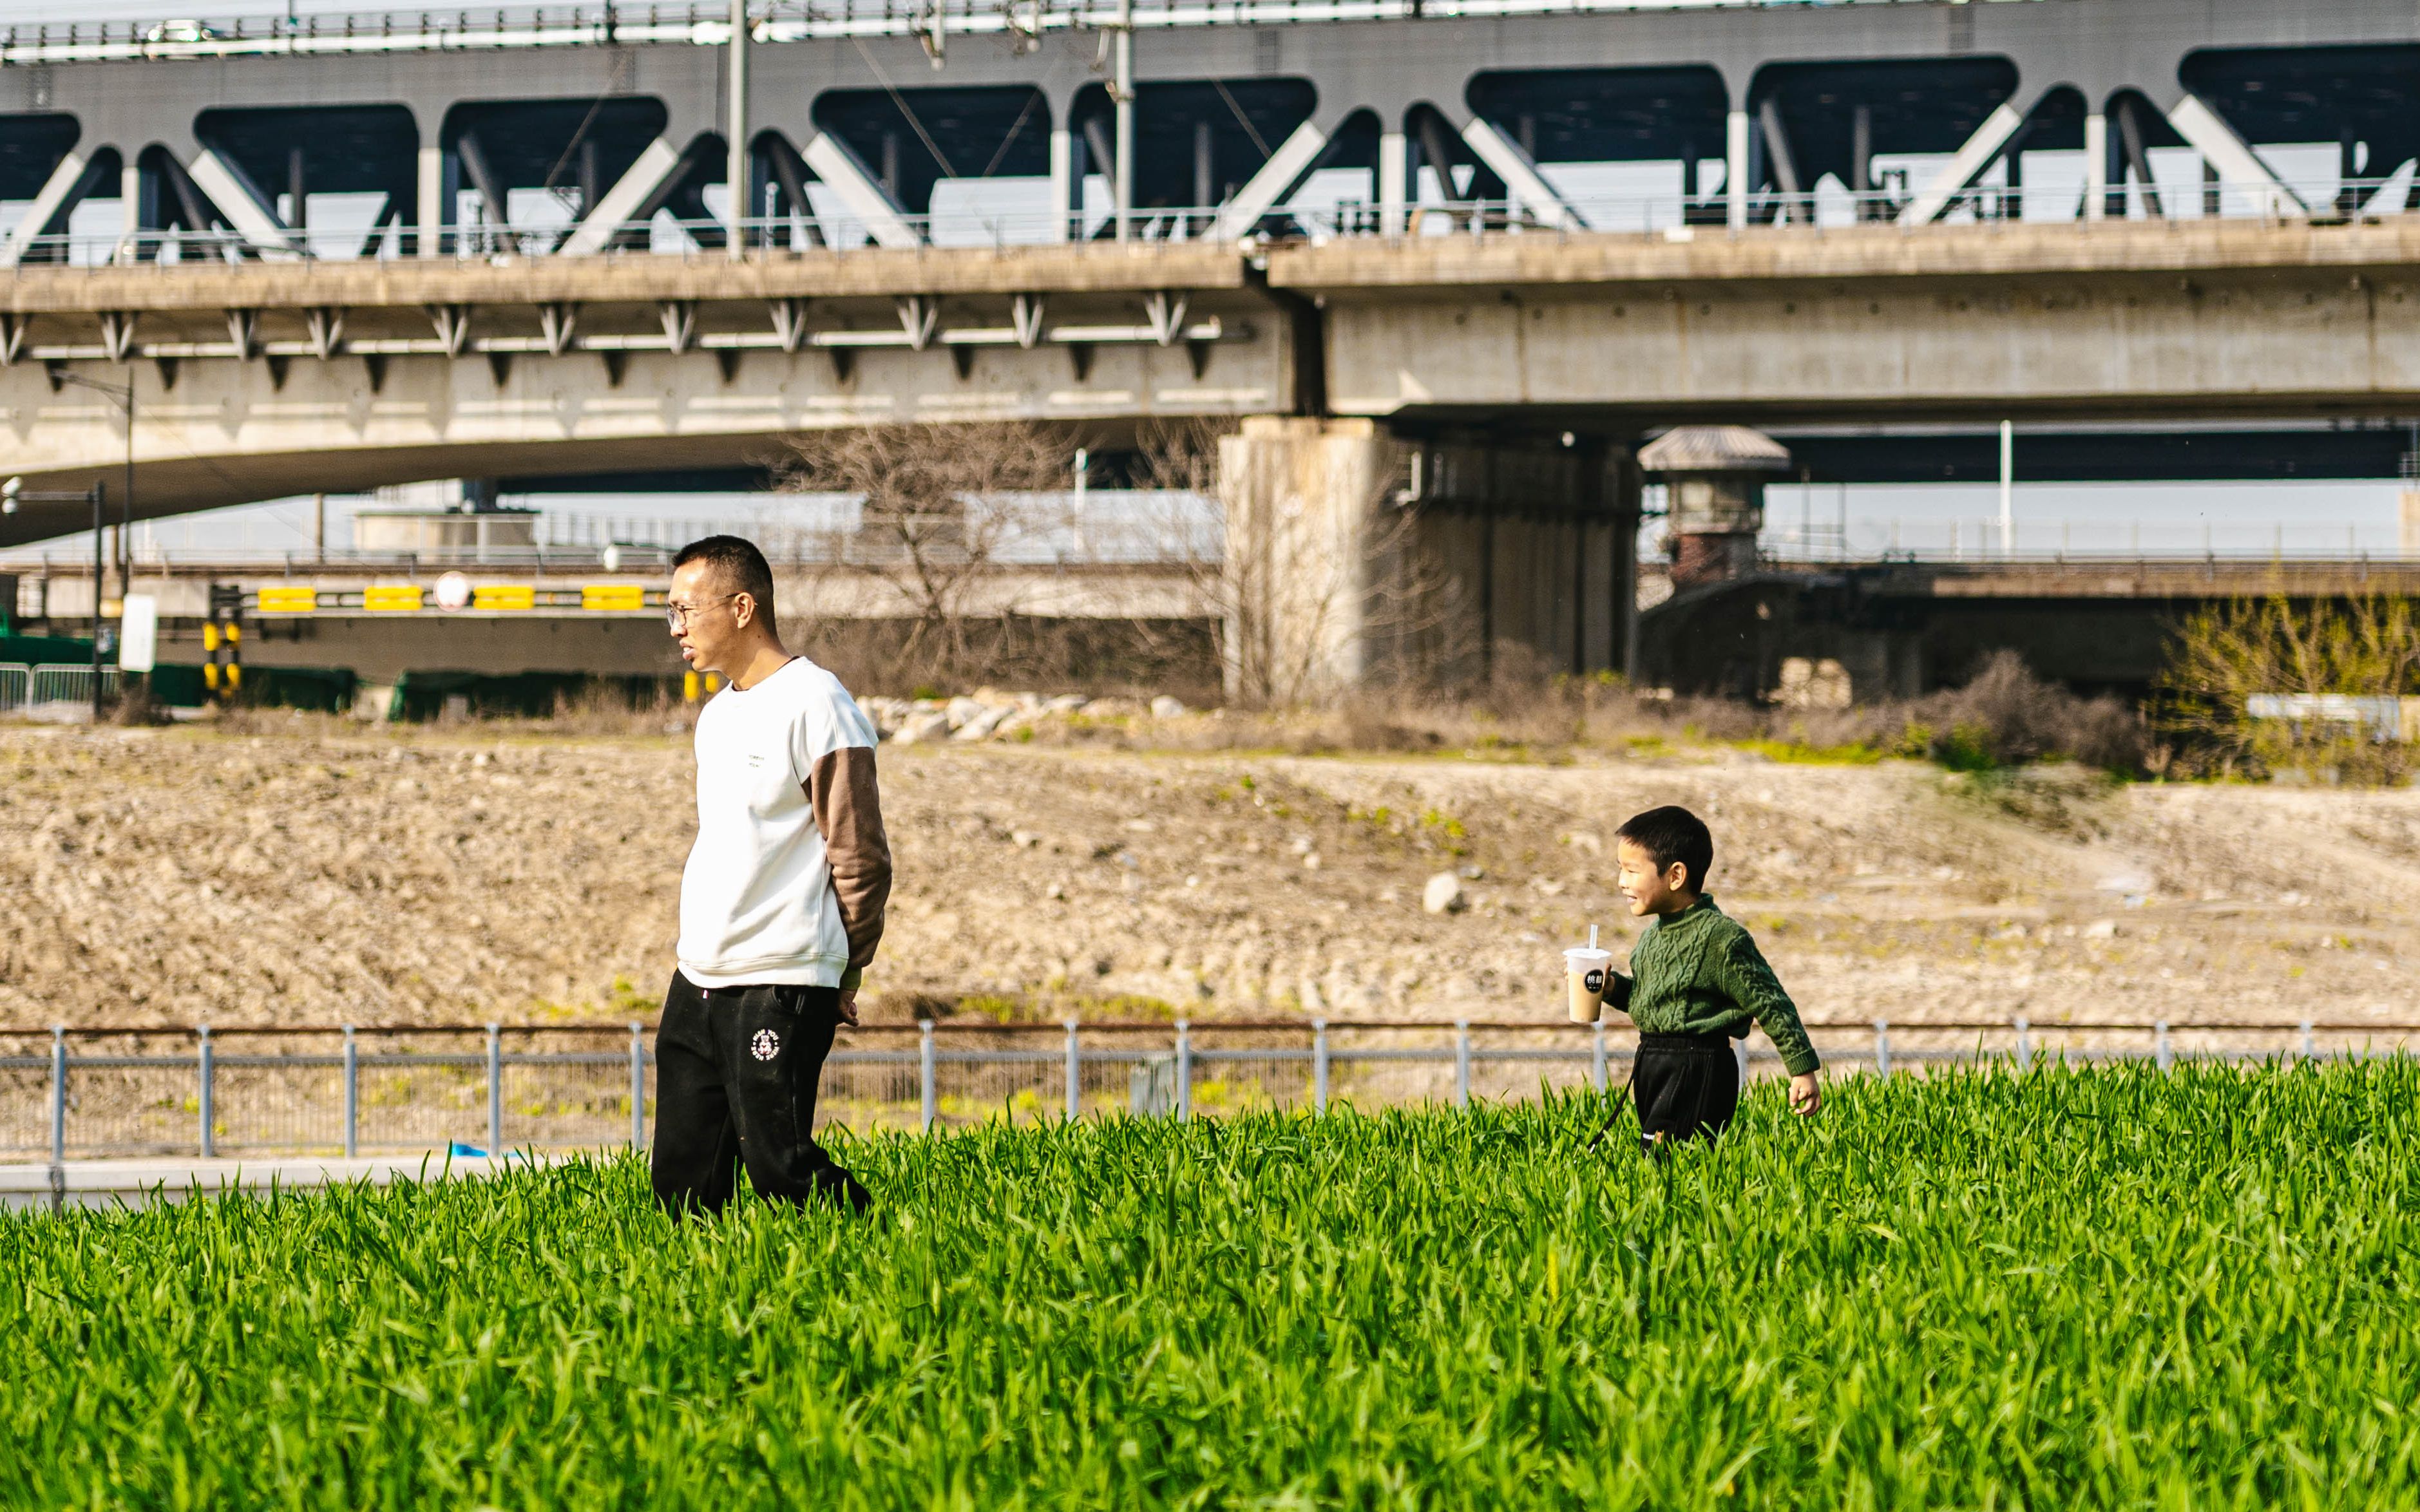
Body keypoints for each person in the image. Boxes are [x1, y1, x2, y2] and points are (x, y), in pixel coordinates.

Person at [649, 535, 891, 1214]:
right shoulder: (718, 713)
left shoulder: (818, 701)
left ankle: (887, 1251)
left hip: (781, 977)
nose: (676, 629)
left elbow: (860, 855)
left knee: (781, 1167)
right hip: (699, 974)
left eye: (685, 610)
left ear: (742, 606)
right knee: (681, 1184)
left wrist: (847, 967)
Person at [1598, 804, 1820, 1149]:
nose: (1621, 882)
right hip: (1652, 1060)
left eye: (1631, 871)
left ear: (1675, 876)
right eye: (1620, 870)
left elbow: (1771, 1003)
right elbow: (1653, 1002)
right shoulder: (1651, 938)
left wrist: (1801, 1068)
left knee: (1669, 1161)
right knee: (1660, 1161)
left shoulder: (1722, 939)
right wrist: (1611, 988)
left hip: (1697, 1065)